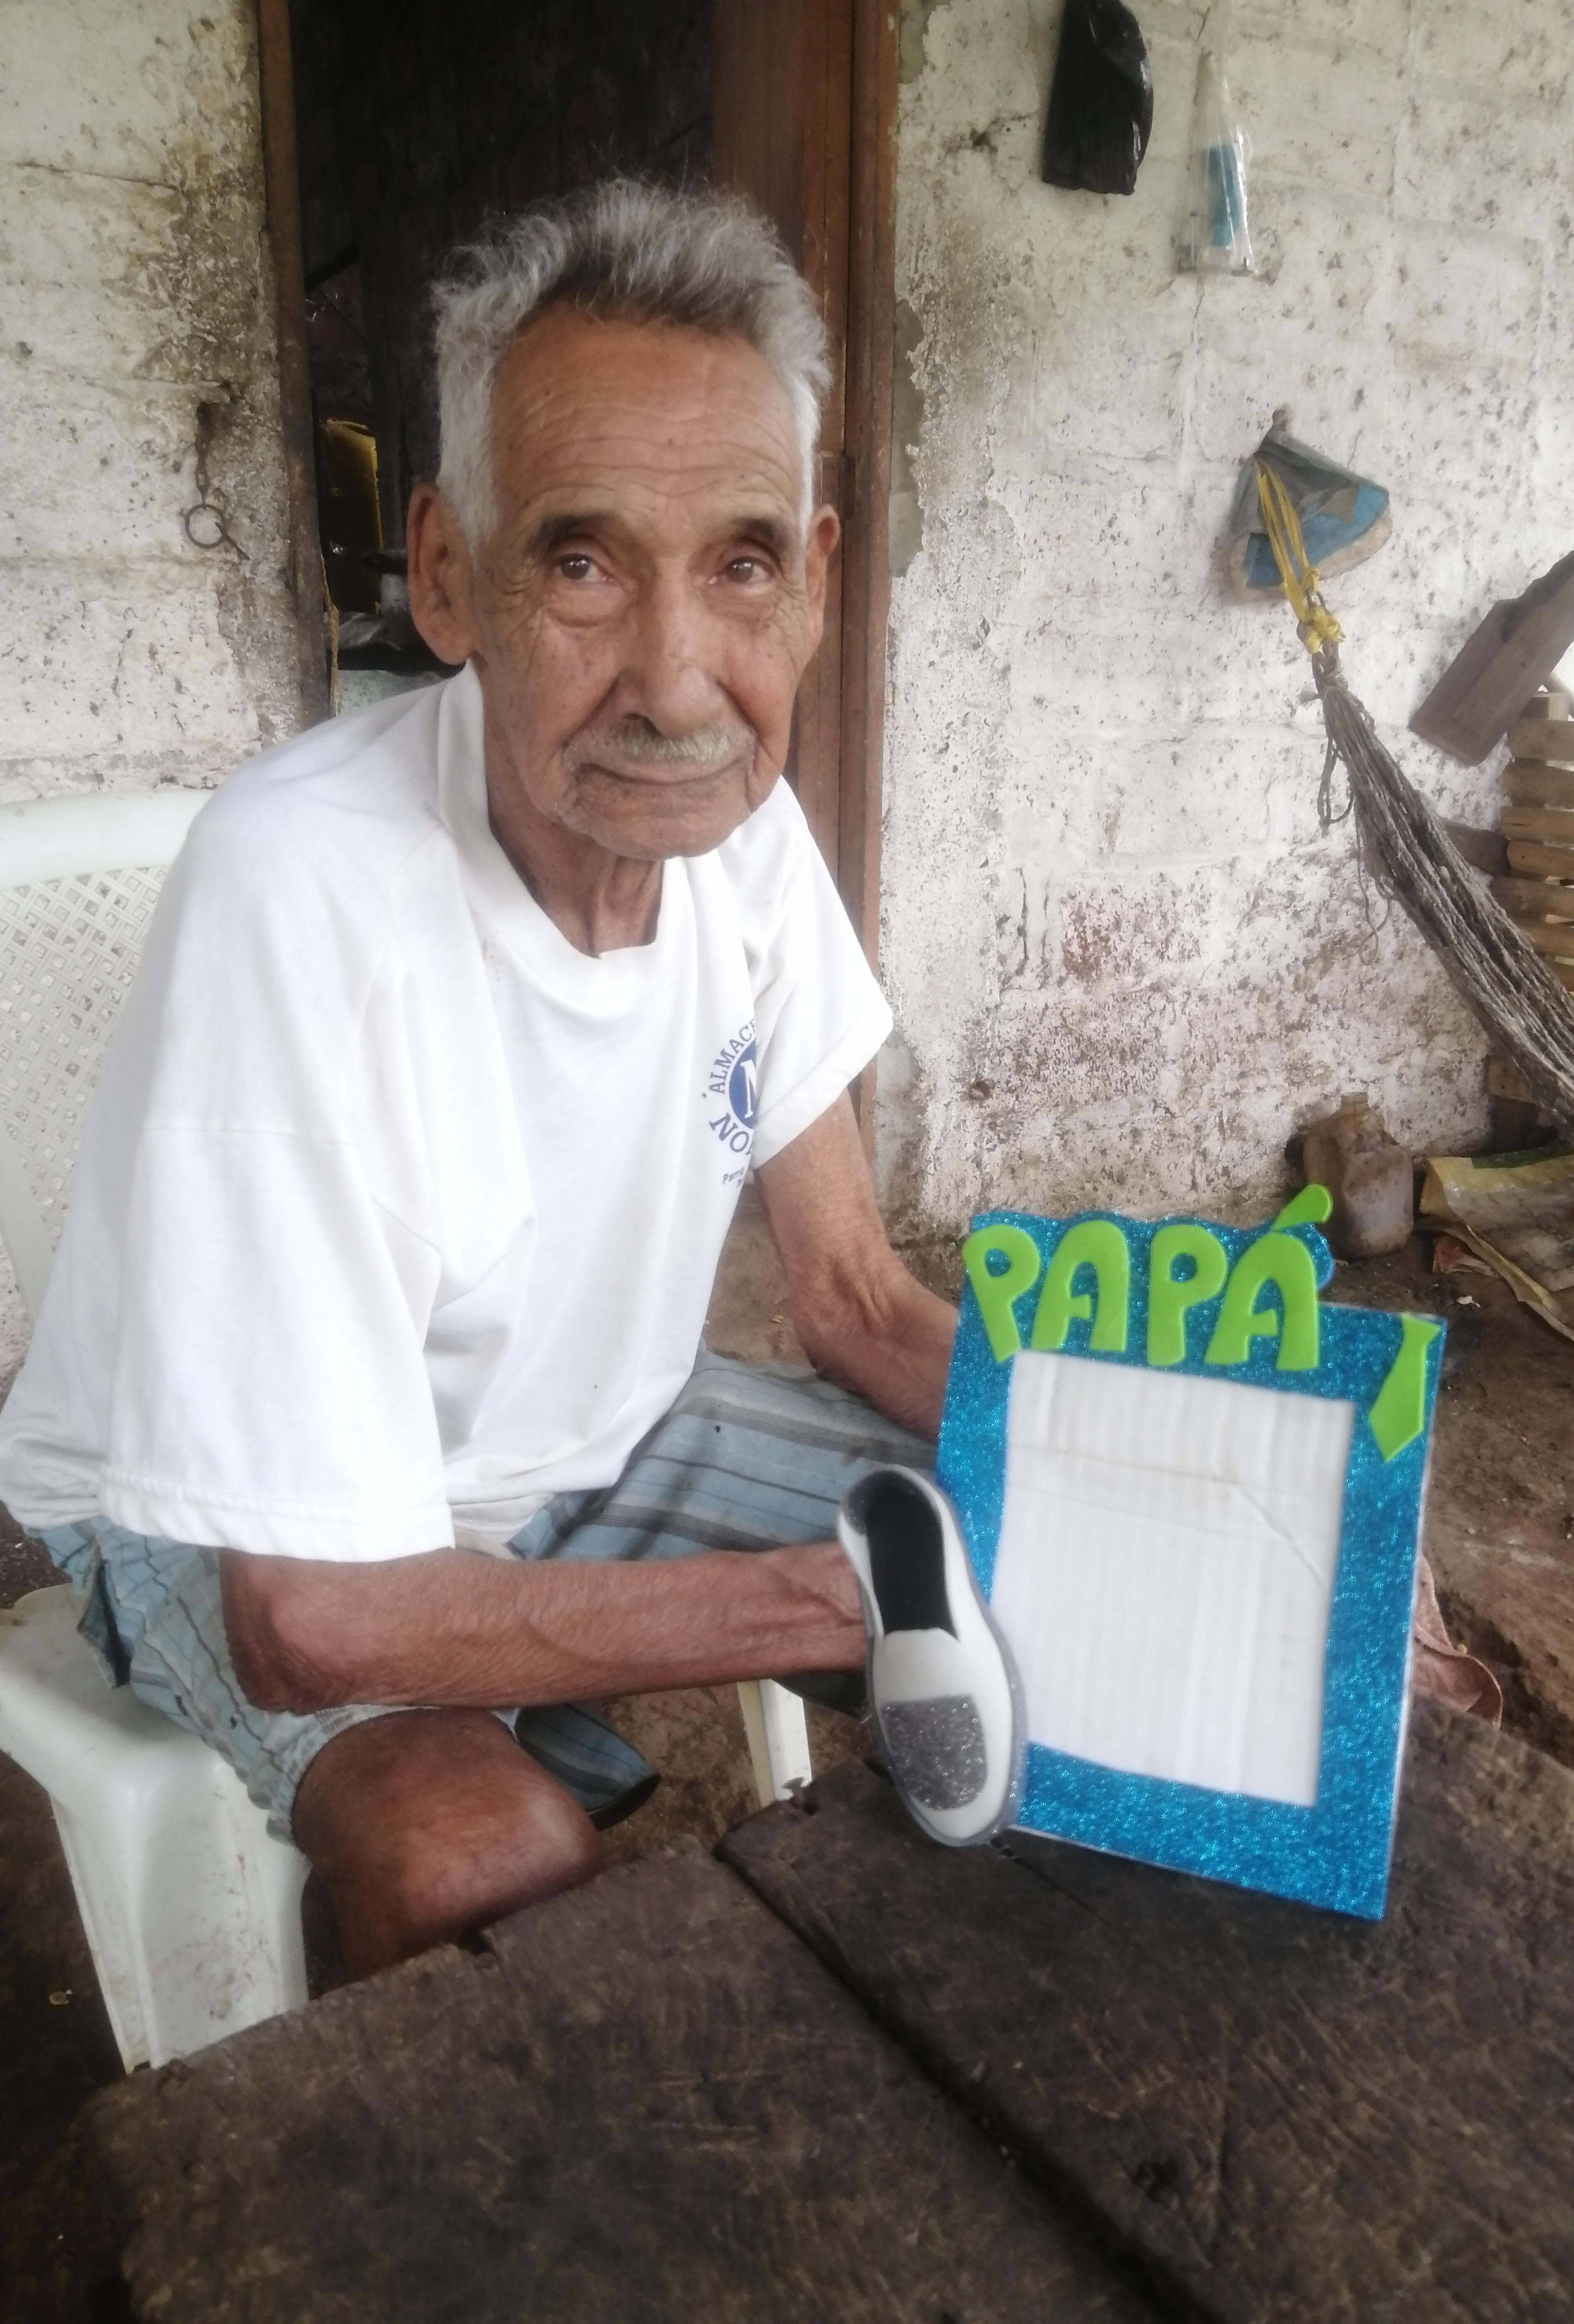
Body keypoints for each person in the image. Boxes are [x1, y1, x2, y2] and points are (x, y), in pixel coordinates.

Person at [0, 180, 958, 1977]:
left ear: (816, 582)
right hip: (228, 1508)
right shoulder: (302, 889)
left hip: (590, 1430)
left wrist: (1197, 1478)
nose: (676, 680)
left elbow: (853, 1296)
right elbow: (306, 1616)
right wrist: (810, 1605)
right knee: (477, 1862)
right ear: (448, 578)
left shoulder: (740, 831)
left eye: (742, 565)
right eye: (583, 563)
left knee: (1068, 1562)